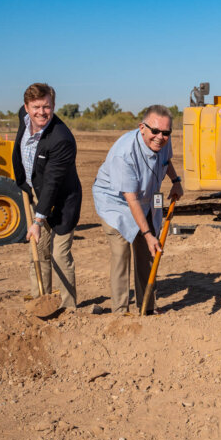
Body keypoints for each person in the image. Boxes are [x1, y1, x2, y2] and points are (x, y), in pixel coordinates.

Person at [92, 105, 183, 314]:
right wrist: (147, 233)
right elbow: (130, 200)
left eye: (166, 132)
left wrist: (176, 181)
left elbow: (165, 161)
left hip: (147, 198)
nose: (160, 137)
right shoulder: (124, 154)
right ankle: (120, 311)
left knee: (148, 253)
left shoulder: (163, 142)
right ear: (142, 127)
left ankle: (147, 307)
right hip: (116, 203)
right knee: (121, 252)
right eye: (155, 131)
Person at [12, 83, 82, 309]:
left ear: (54, 106)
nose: (41, 112)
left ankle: (67, 308)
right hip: (35, 193)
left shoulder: (62, 139)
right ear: (26, 107)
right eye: (36, 107)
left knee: (59, 255)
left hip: (62, 203)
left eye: (47, 107)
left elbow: (52, 183)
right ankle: (39, 301)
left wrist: (38, 220)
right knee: (38, 249)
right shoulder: (24, 116)